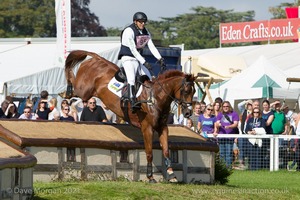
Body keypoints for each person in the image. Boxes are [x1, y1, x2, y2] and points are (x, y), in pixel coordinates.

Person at [118, 11, 165, 110]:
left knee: (148, 77)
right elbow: (133, 50)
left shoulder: (145, 32)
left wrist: (160, 58)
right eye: (141, 22)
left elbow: (152, 47)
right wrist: (144, 62)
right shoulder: (128, 31)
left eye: (144, 22)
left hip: (137, 59)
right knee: (131, 78)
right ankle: (132, 101)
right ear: (135, 22)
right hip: (127, 58)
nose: (143, 24)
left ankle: (149, 99)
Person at [215, 101, 240, 168]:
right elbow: (217, 123)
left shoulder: (234, 114)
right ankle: (222, 168)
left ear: (229, 107)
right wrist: (218, 126)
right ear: (222, 107)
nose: (225, 108)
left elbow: (235, 124)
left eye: (227, 106)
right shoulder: (220, 114)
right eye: (224, 106)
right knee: (222, 153)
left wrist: (229, 126)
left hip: (230, 137)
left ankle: (228, 168)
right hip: (221, 137)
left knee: (228, 153)